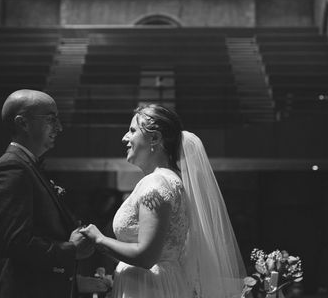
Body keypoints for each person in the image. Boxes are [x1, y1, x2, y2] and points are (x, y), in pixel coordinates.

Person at [81, 104, 246, 297]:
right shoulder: (169, 181)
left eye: (132, 131)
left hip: (147, 287)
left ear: (155, 138)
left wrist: (99, 239)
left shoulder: (156, 184)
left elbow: (146, 256)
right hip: (157, 283)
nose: (125, 137)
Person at [0, 89, 94, 298]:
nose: (59, 127)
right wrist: (71, 249)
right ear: (22, 122)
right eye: (51, 119)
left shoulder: (27, 167)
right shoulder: (11, 168)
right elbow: (17, 243)